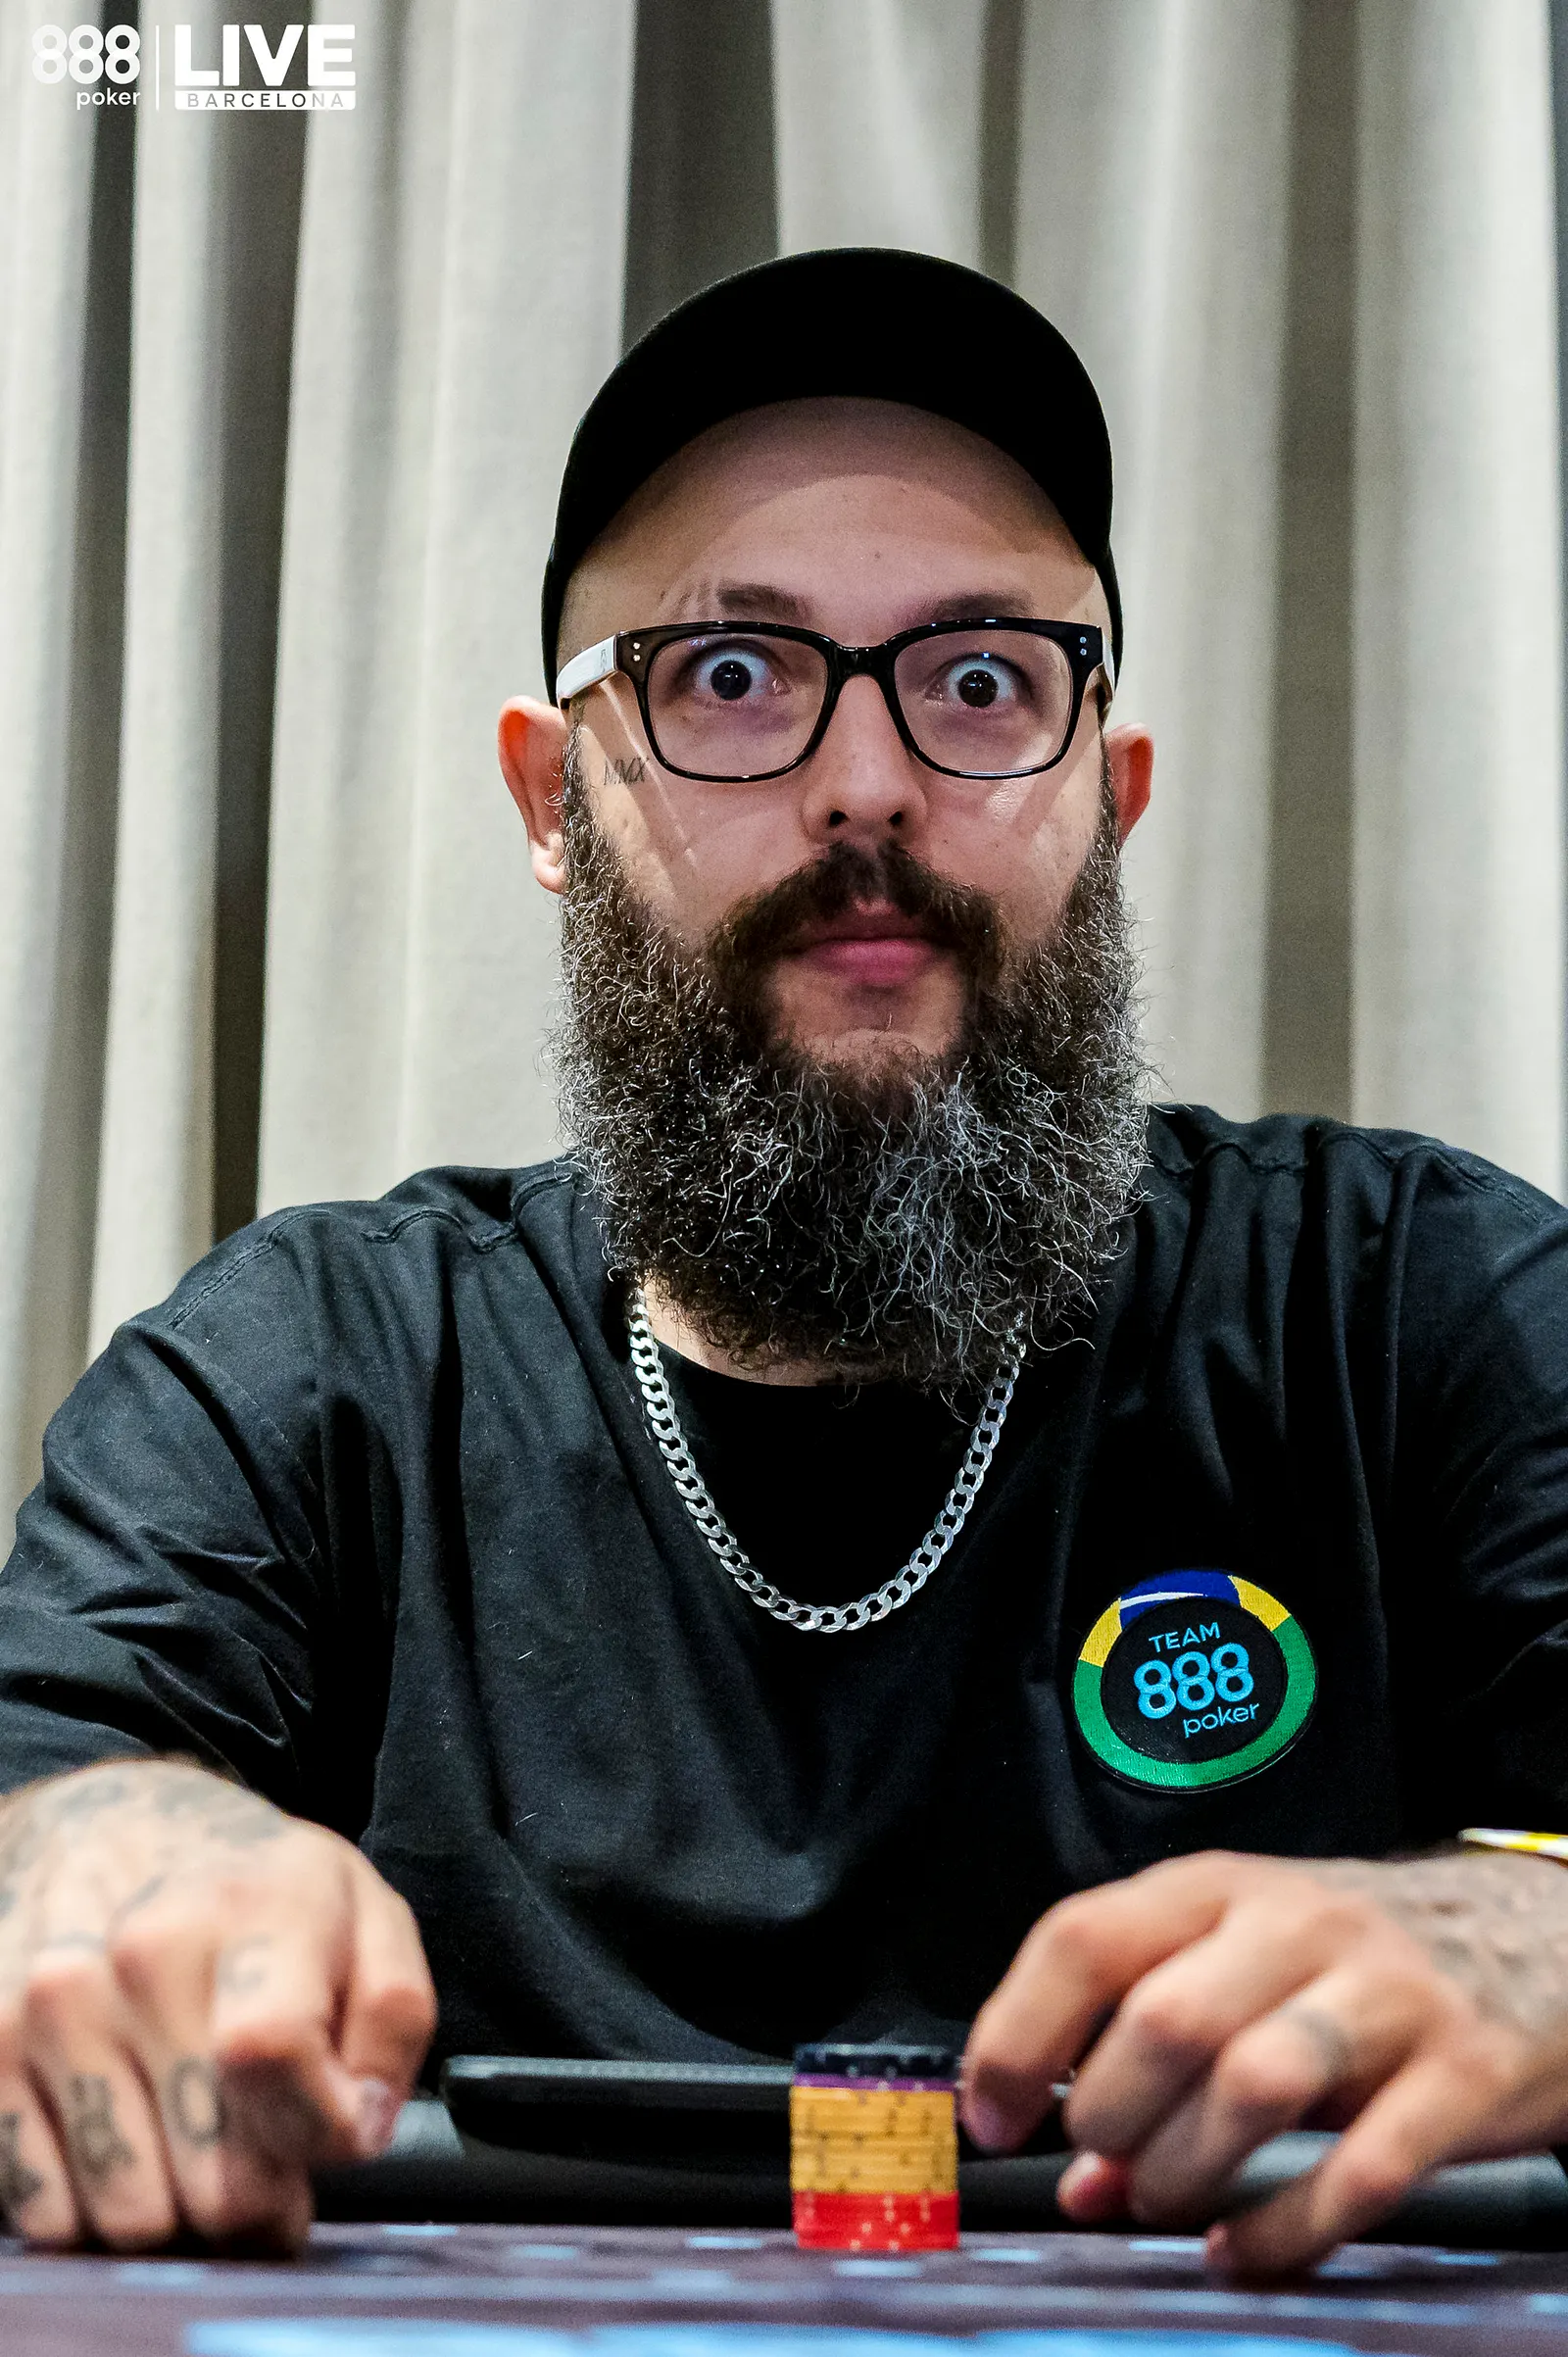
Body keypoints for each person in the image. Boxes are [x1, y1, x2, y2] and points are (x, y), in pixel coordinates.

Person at [1, 247, 1567, 2271]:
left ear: (1108, 797)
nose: (866, 785)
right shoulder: (311, 1370)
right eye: (730, 677)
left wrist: (1527, 1927)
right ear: (555, 796)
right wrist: (87, 1847)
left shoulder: (1414, 1307)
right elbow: (43, 1768)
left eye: (980, 680)